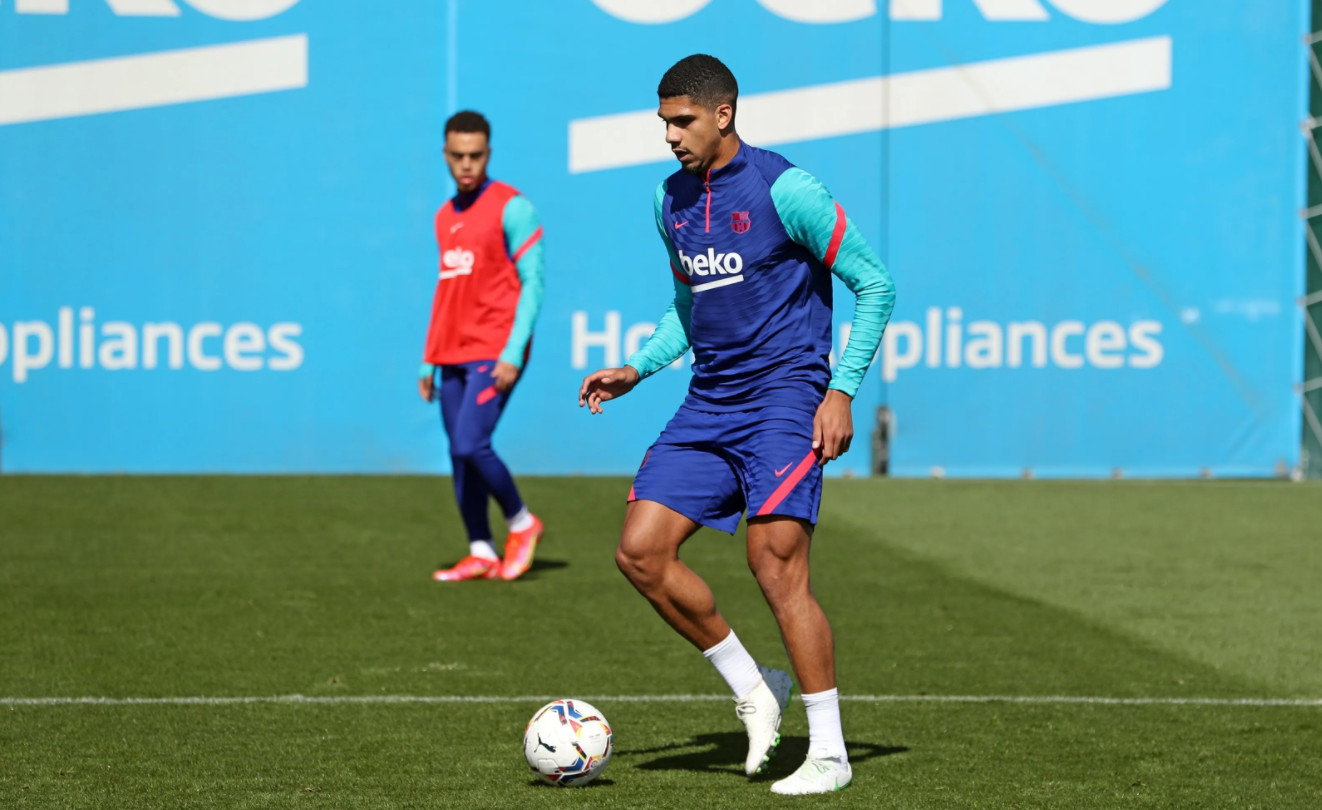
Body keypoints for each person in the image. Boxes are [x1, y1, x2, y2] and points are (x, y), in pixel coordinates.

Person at [578, 55, 895, 795]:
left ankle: (829, 754)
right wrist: (640, 367)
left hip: (787, 399)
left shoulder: (788, 189)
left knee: (774, 562)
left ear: (724, 113)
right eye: (663, 122)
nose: (670, 136)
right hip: (710, 400)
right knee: (640, 553)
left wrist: (840, 390)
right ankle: (755, 690)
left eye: (682, 120)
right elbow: (688, 304)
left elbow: (874, 283)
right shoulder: (669, 201)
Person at [420, 110, 545, 583]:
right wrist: (428, 357)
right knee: (457, 452)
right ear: (446, 155)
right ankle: (481, 550)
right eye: (458, 156)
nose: (466, 165)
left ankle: (521, 521)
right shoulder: (444, 216)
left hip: (493, 349)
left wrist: (514, 351)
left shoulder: (513, 207)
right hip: (449, 352)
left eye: (475, 155)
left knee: (472, 442)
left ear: (488, 154)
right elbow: (446, 291)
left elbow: (533, 282)